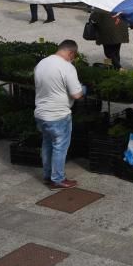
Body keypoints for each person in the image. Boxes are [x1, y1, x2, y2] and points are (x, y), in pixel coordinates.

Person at [33, 39, 84, 189]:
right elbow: (76, 94)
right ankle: (58, 179)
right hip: (58, 115)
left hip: (41, 114)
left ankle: (48, 176)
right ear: (71, 53)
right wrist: (84, 90)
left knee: (47, 145)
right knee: (60, 146)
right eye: (73, 57)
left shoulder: (41, 63)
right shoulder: (67, 67)